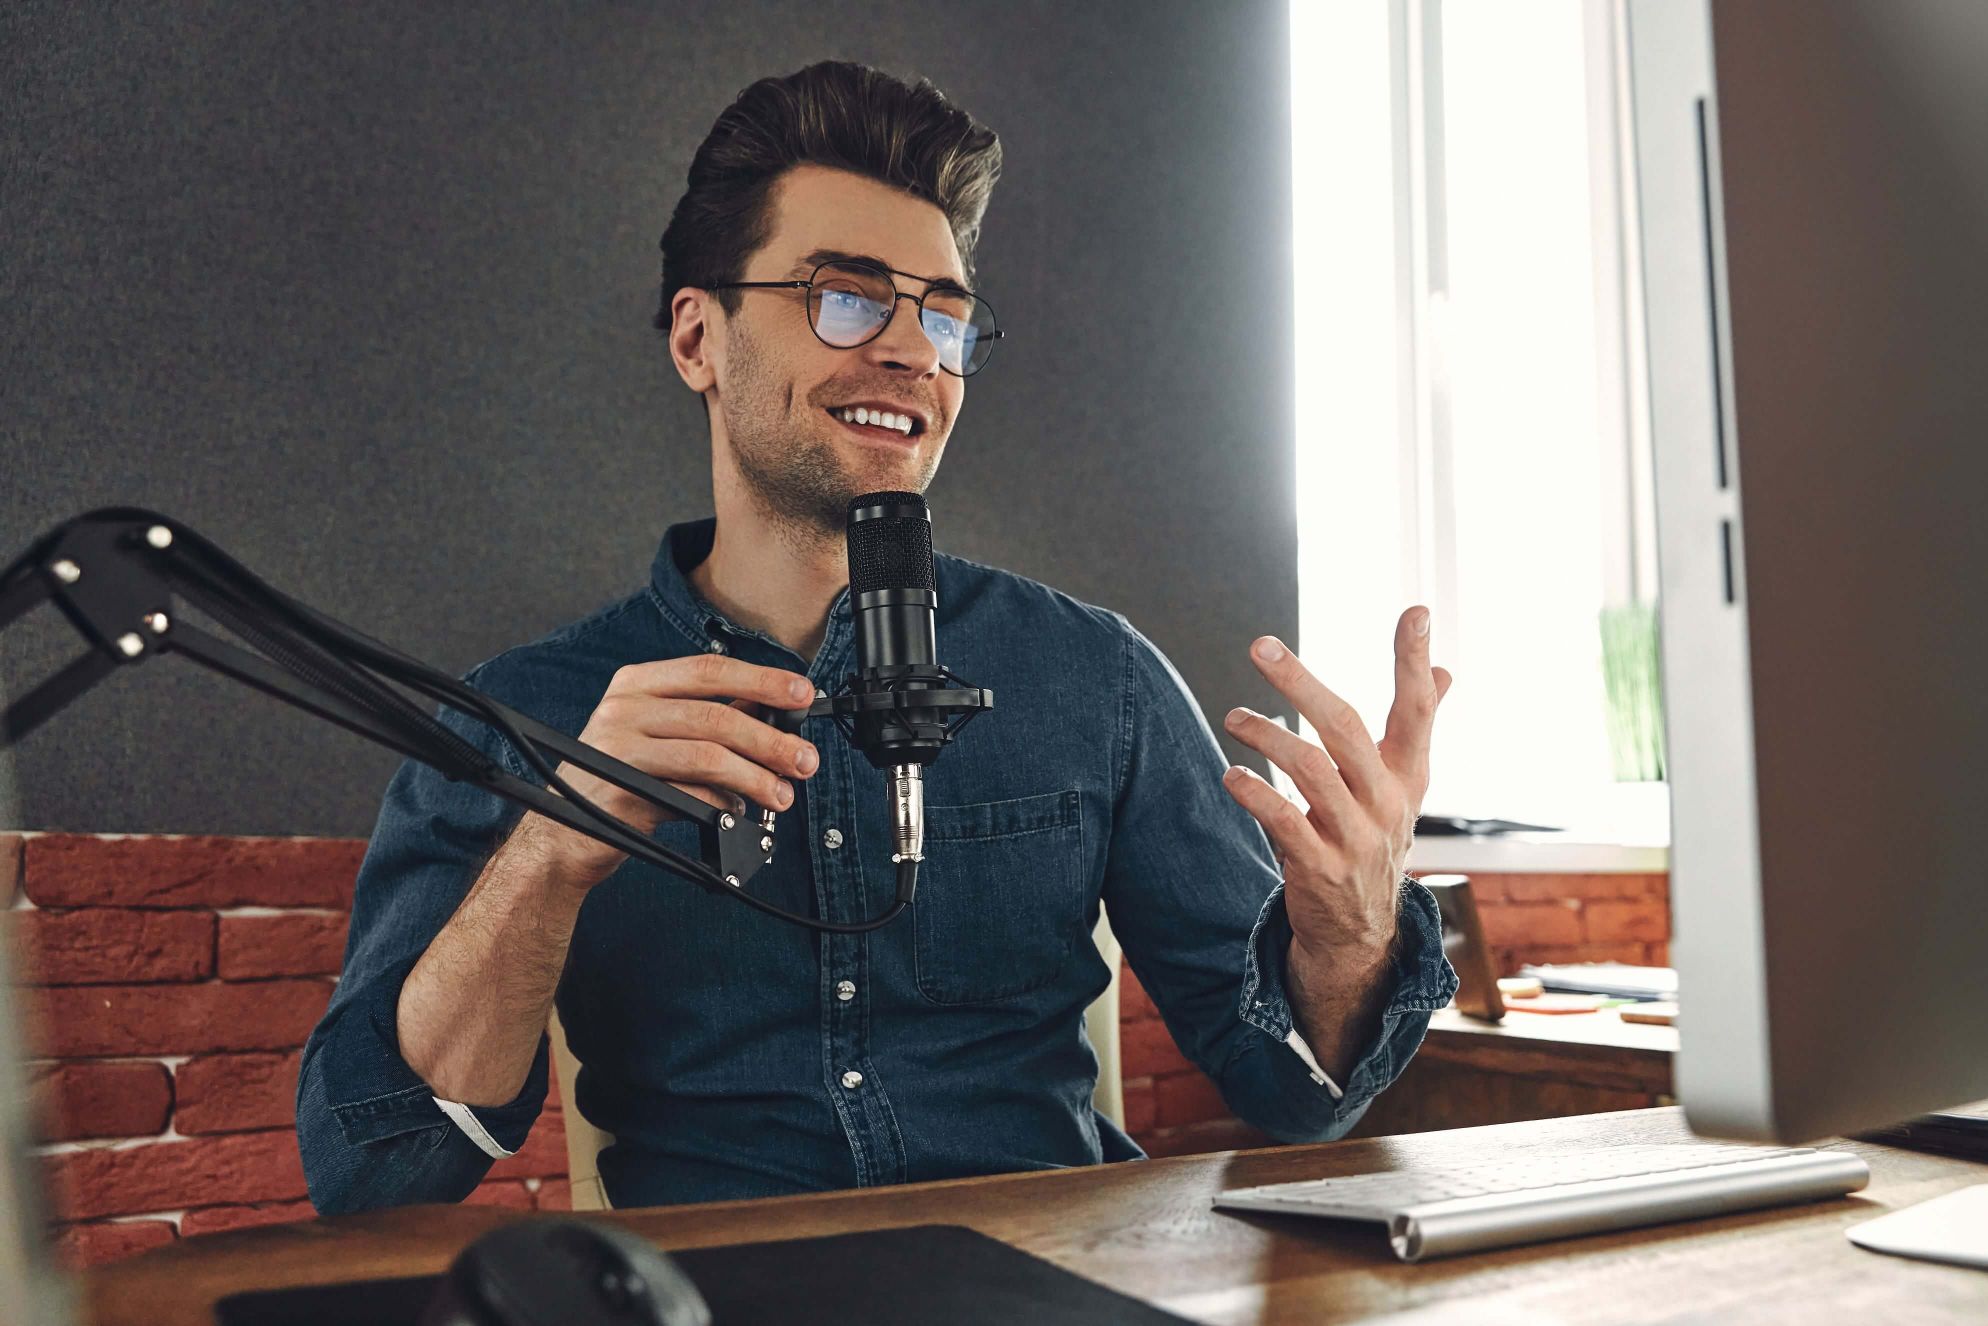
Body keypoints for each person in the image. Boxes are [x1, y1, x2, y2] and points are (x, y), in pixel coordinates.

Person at [297, 60, 1459, 1213]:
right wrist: (551, 854)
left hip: (1045, 1283)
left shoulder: (1093, 680)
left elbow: (1297, 1094)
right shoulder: (526, 714)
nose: (910, 352)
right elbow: (378, 1169)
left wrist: (1350, 939)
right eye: (844, 298)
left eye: (942, 316)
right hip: (725, 1287)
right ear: (699, 340)